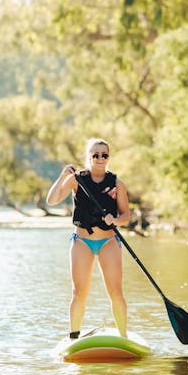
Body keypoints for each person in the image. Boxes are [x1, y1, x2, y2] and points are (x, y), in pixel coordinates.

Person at [46, 138, 131, 339]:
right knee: (78, 293)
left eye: (104, 155)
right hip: (82, 242)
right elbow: (51, 200)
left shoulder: (116, 183)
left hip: (108, 242)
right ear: (88, 157)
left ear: (109, 157)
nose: (100, 158)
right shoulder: (77, 179)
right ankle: (73, 337)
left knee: (116, 292)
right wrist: (62, 176)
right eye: (95, 155)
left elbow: (126, 217)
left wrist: (115, 220)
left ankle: (123, 337)